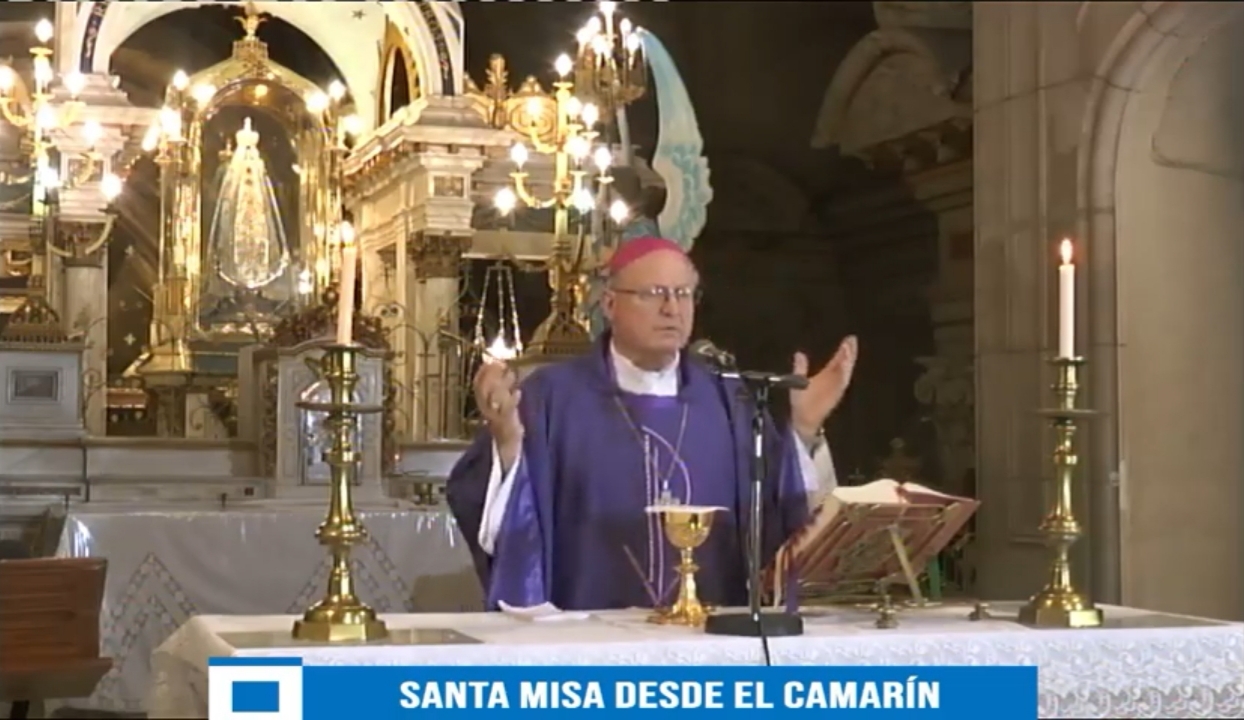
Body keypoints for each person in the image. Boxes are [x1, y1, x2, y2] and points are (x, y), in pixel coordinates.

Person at [448, 236, 858, 611]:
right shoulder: (550, 398)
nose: (672, 309)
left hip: (711, 639)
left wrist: (802, 430)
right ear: (610, 304)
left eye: (683, 294)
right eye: (654, 293)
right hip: (590, 639)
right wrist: (508, 444)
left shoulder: (731, 402)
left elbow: (777, 523)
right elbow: (500, 522)